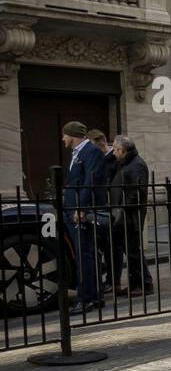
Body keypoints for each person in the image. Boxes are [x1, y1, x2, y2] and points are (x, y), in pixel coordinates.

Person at [60, 121, 106, 316]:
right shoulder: (77, 152)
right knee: (86, 253)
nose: (62, 139)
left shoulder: (91, 151)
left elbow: (91, 181)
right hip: (73, 209)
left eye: (64, 135)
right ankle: (95, 296)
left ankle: (85, 299)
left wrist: (81, 208)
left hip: (80, 211)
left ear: (72, 135)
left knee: (84, 254)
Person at [107, 135, 153, 298]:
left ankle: (144, 285)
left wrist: (122, 207)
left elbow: (137, 192)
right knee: (131, 251)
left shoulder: (136, 165)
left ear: (122, 150)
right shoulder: (125, 163)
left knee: (133, 252)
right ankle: (136, 284)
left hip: (130, 216)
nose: (112, 152)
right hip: (124, 214)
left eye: (114, 149)